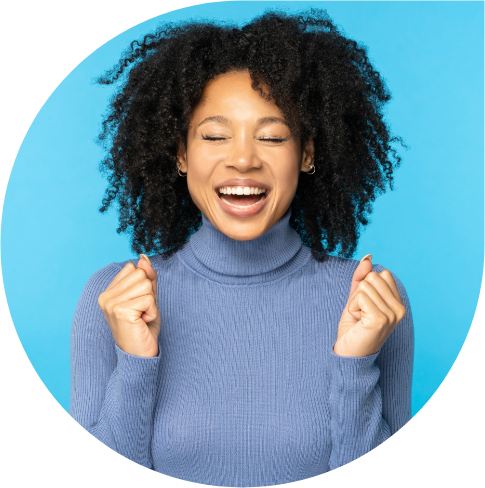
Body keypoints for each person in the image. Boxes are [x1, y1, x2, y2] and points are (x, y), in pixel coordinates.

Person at [70, 8, 413, 487]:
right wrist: (135, 364)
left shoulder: (370, 305)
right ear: (182, 154)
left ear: (308, 153)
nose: (243, 159)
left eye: (272, 136)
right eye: (214, 135)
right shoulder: (114, 299)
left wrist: (354, 366)